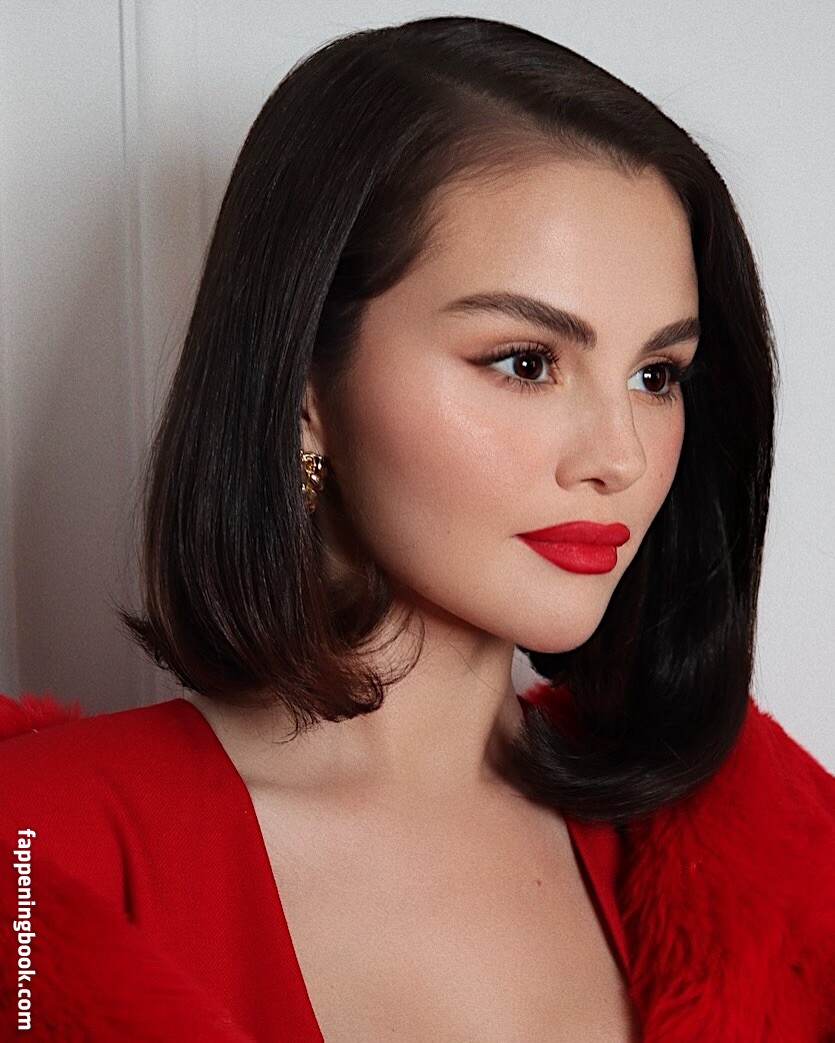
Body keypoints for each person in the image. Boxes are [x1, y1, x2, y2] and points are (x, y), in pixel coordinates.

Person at [1, 14, 833, 1042]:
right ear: (305, 386)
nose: (618, 455)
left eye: (656, 375)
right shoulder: (36, 858)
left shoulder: (769, 852)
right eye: (526, 361)